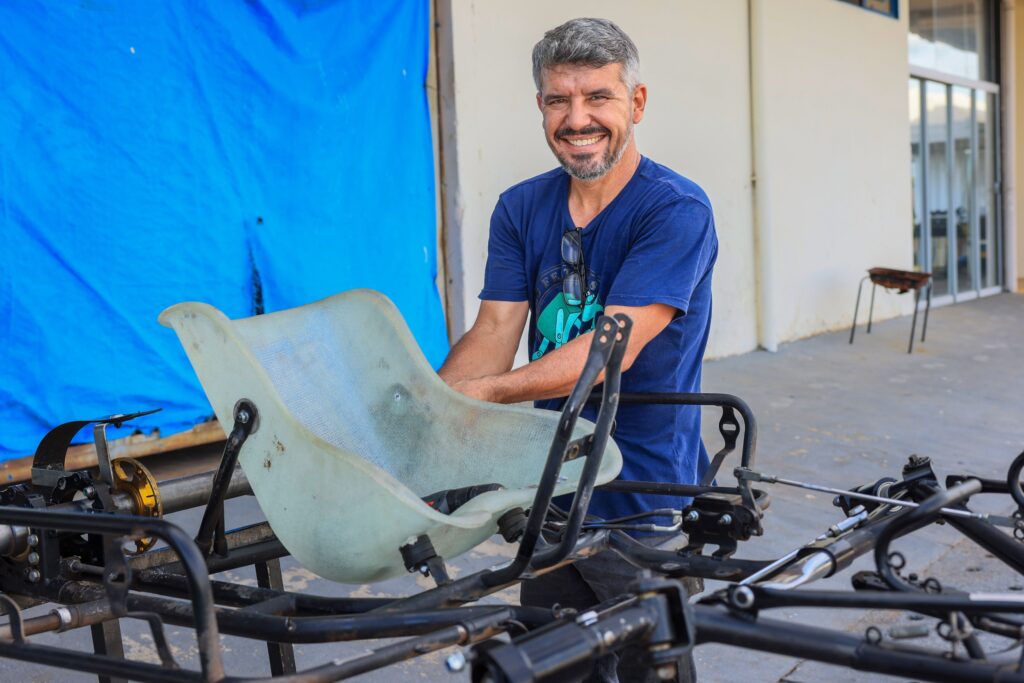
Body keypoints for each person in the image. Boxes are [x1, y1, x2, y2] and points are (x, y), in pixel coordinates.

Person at [438, 17, 716, 683]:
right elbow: (494, 332)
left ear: (636, 104)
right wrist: (431, 413)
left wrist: (485, 396)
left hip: (644, 495)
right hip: (555, 484)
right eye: (559, 100)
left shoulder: (675, 210)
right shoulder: (521, 208)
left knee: (649, 667)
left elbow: (608, 350)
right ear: (541, 107)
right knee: (552, 665)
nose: (577, 117)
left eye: (598, 97)